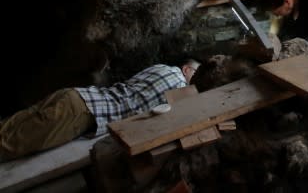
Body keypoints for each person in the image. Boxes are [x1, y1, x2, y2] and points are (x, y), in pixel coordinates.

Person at [0, 59, 200, 161]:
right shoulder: (180, 87)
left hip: (75, 96)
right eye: (197, 72)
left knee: (8, 127)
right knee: (8, 145)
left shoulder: (161, 67)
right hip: (80, 112)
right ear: (186, 69)